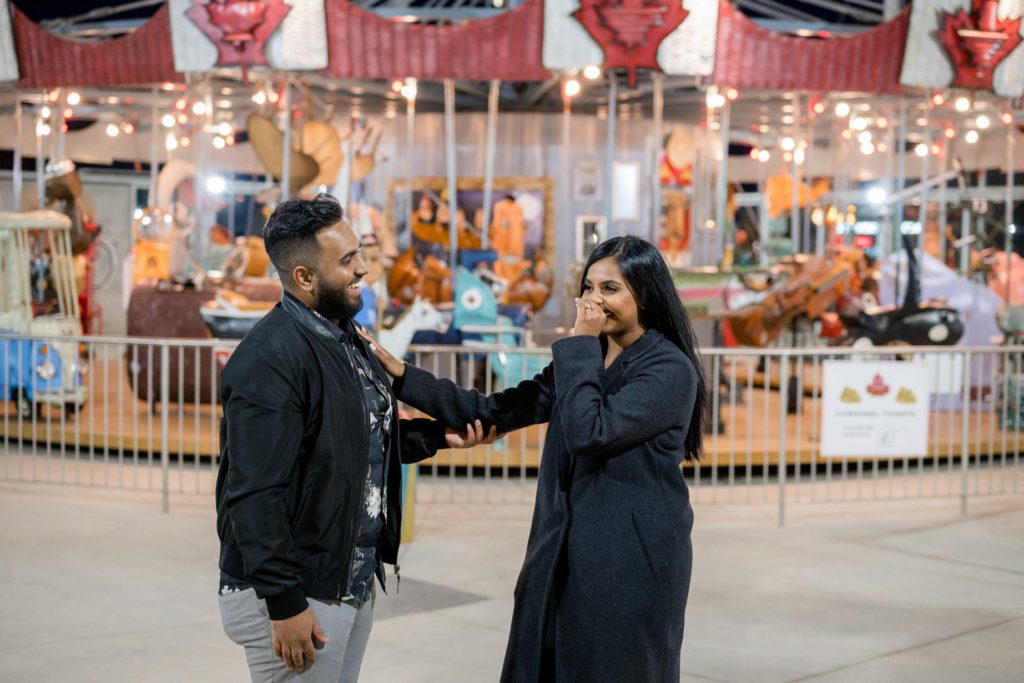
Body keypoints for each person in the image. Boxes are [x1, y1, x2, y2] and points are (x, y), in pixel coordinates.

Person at [360, 235, 708, 681]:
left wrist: (580, 343)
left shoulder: (668, 369)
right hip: (558, 554)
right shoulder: (589, 356)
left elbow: (590, 431)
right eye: (588, 287)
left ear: (646, 292)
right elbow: (494, 411)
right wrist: (405, 378)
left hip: (627, 563)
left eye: (610, 289)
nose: (593, 301)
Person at [216, 193, 495, 682]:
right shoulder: (269, 360)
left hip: (345, 578)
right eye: (347, 260)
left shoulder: (345, 337)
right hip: (298, 592)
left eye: (359, 252)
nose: (364, 268)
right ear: (304, 277)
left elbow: (349, 442)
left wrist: (432, 437)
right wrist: (284, 603)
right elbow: (254, 494)